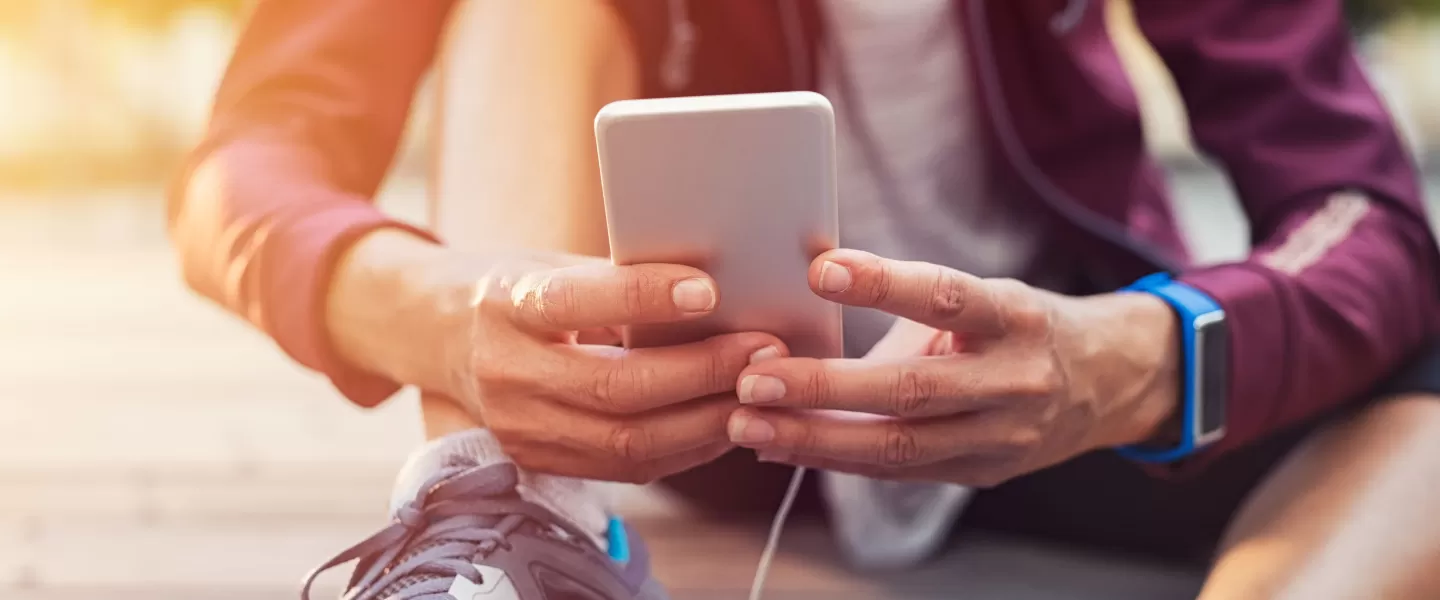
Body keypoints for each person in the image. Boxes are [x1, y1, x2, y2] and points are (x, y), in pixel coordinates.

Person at [169, 0, 1440, 598]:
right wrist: (429, 304)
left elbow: (1367, 222)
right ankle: (511, 516)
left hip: (1045, 388)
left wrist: (1133, 356)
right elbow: (247, 168)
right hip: (678, 406)